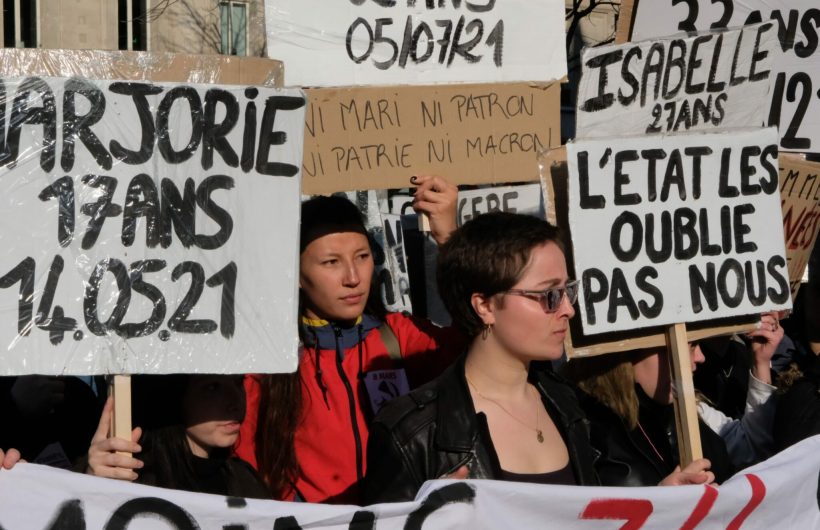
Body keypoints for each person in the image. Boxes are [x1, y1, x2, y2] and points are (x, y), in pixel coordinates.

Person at [236, 175, 464, 503]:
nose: (353, 278)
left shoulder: (397, 336)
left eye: (362, 256)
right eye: (331, 262)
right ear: (295, 273)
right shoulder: (264, 361)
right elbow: (241, 468)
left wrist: (450, 240)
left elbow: (481, 346)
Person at [361, 212, 600, 504]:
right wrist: (427, 519)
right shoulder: (413, 433)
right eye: (549, 295)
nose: (568, 310)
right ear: (484, 306)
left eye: (567, 291)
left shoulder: (569, 404)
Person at [564, 334, 767, 486]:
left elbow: (750, 450)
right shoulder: (582, 429)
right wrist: (660, 504)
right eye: (687, 344)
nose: (700, 357)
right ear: (630, 352)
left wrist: (762, 363)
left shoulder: (691, 411)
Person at [86, 374, 269, 499]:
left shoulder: (245, 480)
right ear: (174, 394)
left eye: (238, 382)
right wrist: (91, 486)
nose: (235, 402)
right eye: (213, 387)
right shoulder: (133, 477)